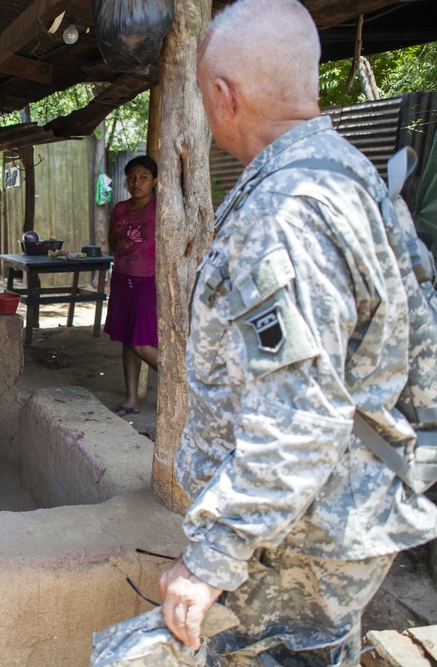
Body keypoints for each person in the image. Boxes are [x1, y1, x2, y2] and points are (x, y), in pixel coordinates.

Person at [158, 1, 437, 664]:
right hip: (340, 512)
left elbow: (298, 415)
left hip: (298, 537)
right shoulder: (352, 176)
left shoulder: (284, 211)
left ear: (222, 96)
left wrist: (211, 557)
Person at [102, 155, 159, 417]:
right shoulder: (120, 209)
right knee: (127, 341)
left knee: (141, 344)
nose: (137, 182)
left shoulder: (161, 207)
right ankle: (131, 400)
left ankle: (188, 384)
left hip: (148, 284)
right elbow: (114, 242)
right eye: (132, 177)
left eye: (144, 177)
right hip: (122, 282)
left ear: (155, 181)